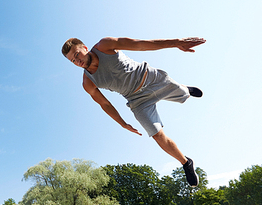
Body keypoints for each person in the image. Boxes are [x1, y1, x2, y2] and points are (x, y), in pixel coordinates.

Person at [61, 36, 206, 187]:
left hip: (149, 79)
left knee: (182, 93)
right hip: (137, 101)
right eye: (73, 61)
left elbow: (141, 44)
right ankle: (186, 162)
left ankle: (185, 89)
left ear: (84, 48)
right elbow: (105, 104)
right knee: (157, 135)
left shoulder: (105, 45)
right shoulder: (88, 82)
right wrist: (123, 124)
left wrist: (176, 43)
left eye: (77, 55)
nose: (77, 61)